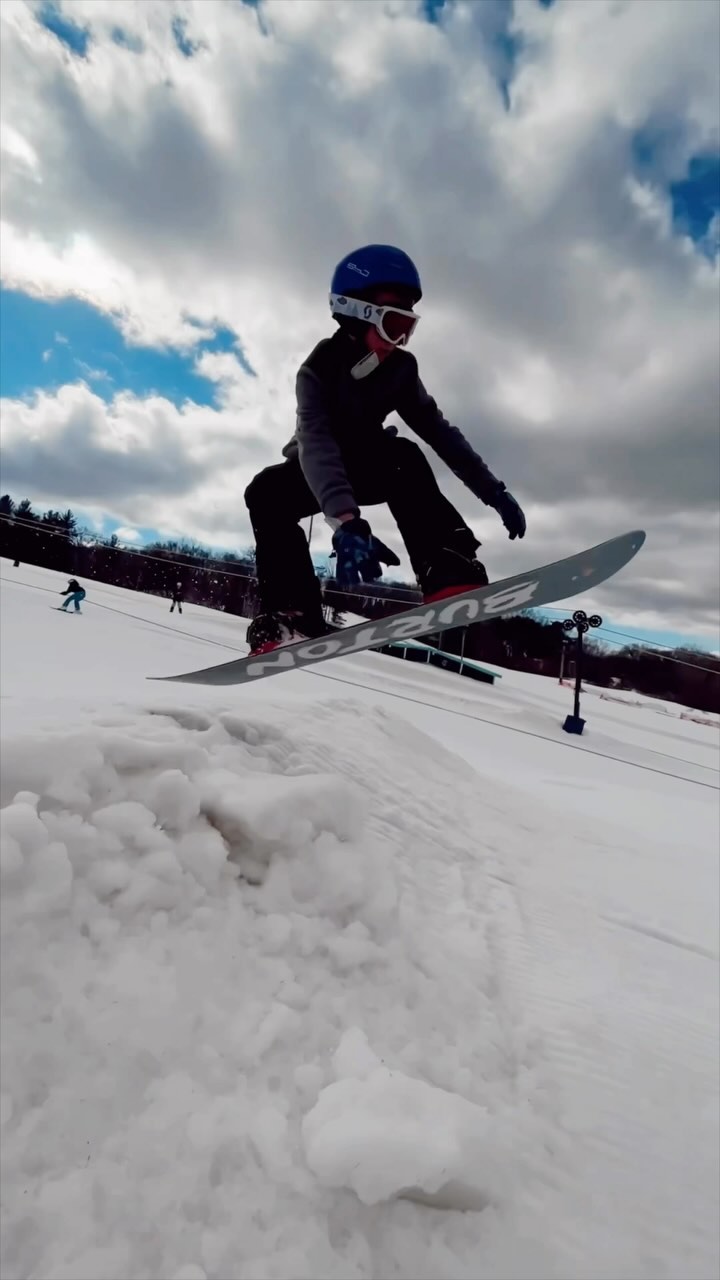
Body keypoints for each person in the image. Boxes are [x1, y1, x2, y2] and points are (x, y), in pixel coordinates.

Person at [244, 244, 526, 656]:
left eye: (408, 328)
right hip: (317, 473)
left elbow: (441, 433)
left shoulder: (400, 370)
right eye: (393, 324)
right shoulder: (318, 368)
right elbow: (316, 445)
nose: (400, 340)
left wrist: (493, 491)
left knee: (405, 455)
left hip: (372, 465)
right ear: (356, 313)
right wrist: (347, 522)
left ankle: (447, 567)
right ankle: (292, 613)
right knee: (264, 492)